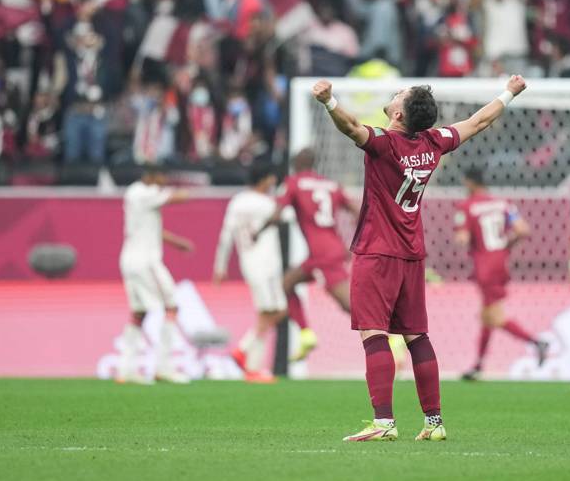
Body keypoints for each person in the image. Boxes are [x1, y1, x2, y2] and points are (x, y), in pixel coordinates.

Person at [312, 74, 527, 442]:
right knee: (416, 335)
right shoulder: (434, 142)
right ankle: (433, 423)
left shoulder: (383, 143)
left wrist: (329, 101)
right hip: (412, 253)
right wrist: (509, 92)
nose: (394, 93)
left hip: (376, 251)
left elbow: (349, 127)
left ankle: (383, 423)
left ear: (398, 112)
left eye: (399, 93)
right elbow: (478, 121)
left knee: (373, 332)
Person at [255, 147, 359, 362]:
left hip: (322, 255)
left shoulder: (293, 183)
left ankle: (390, 334)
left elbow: (276, 215)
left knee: (347, 304)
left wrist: (259, 231)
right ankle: (306, 334)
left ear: (296, 164)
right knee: (287, 283)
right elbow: (357, 211)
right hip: (328, 251)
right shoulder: (330, 184)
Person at [455, 167, 548, 381]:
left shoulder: (466, 207)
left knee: (494, 316)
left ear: (469, 183)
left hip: (484, 266)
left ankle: (537, 342)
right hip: (500, 263)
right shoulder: (503, 203)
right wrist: (506, 246)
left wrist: (465, 238)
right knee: (487, 317)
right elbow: (523, 230)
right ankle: (478, 365)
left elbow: (461, 238)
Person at [118, 167, 193, 384]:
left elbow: (151, 229)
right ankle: (164, 367)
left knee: (138, 313)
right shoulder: (144, 192)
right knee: (171, 307)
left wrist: (177, 243)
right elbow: (178, 197)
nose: (164, 181)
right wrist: (192, 187)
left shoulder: (136, 195)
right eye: (162, 177)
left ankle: (126, 369)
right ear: (151, 176)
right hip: (146, 262)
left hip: (130, 259)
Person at [213, 163, 287, 383]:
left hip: (251, 263)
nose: (273, 182)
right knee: (268, 312)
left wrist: (220, 266)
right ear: (264, 180)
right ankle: (251, 365)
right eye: (271, 178)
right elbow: (288, 215)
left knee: (277, 310)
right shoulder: (266, 204)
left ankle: (244, 353)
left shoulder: (236, 202)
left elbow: (226, 236)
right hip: (265, 264)